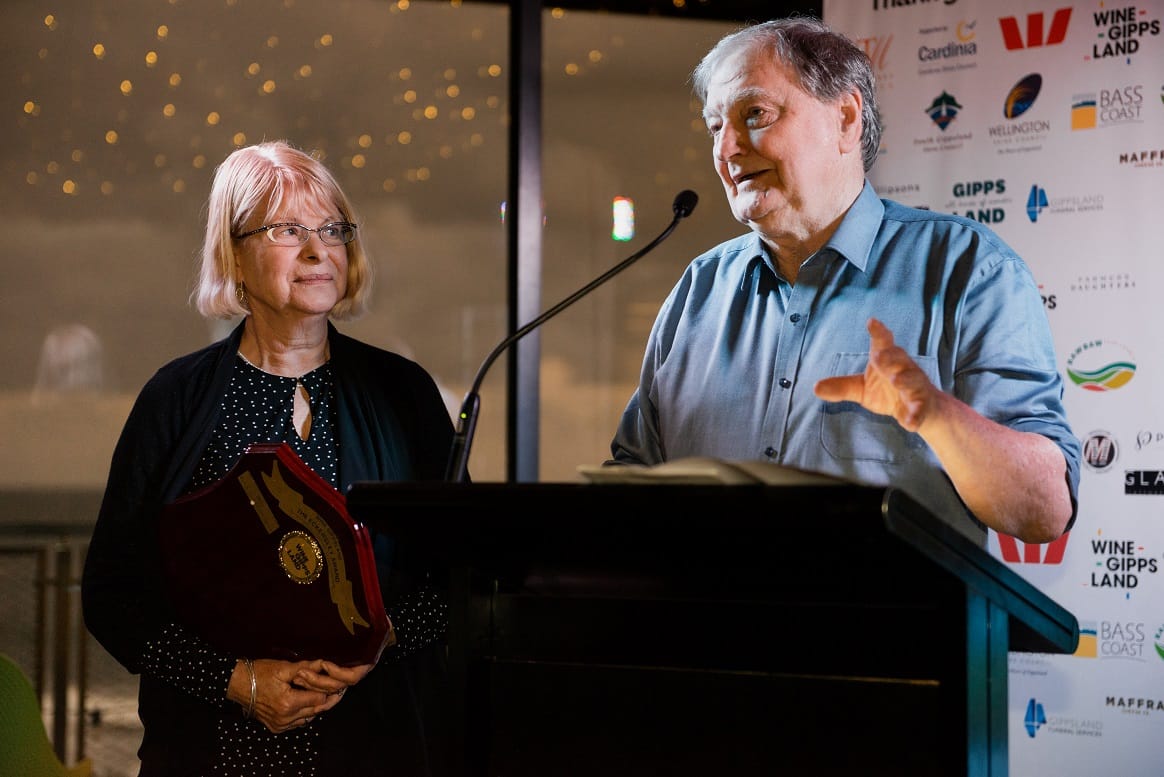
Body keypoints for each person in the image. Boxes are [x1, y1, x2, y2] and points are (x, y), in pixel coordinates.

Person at [609, 17, 1080, 547]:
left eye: (754, 114)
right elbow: (627, 486)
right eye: (716, 126)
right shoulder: (699, 290)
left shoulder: (968, 270)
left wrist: (936, 416)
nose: (728, 149)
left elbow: (1044, 511)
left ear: (846, 118)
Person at [82, 140, 457, 776]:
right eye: (288, 230)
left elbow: (460, 576)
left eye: (332, 230)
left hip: (376, 744)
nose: (318, 252)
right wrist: (237, 681)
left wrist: (381, 642)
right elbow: (112, 596)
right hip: (210, 750)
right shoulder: (175, 399)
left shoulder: (405, 394)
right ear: (234, 253)